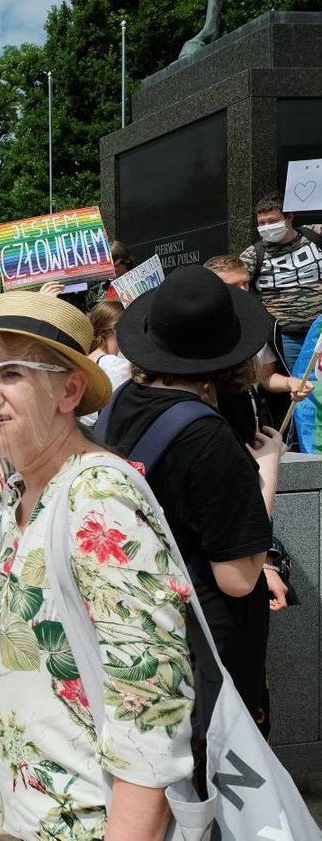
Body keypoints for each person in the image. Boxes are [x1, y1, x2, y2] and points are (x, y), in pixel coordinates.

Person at [0, 292, 194, 840]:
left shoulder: (98, 495)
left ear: (69, 390)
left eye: (11, 373)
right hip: (42, 815)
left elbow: (151, 701)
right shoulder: (18, 491)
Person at [100, 265, 287, 740]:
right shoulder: (207, 436)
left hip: (133, 629)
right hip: (205, 647)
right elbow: (239, 577)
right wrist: (267, 469)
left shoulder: (119, 404)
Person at [206, 253, 311, 437]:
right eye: (234, 286)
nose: (244, 290)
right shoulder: (196, 330)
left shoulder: (261, 325)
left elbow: (265, 376)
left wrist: (290, 383)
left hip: (250, 421)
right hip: (210, 422)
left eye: (245, 283)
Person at [239, 191, 322, 370]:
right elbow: (233, 284)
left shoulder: (314, 236)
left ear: (289, 217)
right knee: (299, 384)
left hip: (320, 332)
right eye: (262, 223)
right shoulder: (253, 255)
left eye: (273, 221)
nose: (267, 227)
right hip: (286, 337)